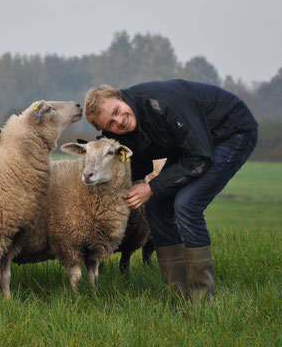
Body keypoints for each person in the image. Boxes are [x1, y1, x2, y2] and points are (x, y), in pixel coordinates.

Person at [84, 79, 258, 301]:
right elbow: (139, 161)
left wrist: (152, 187)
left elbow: (200, 157)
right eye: (110, 123)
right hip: (189, 144)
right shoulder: (123, 128)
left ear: (120, 97)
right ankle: (178, 293)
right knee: (156, 207)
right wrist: (128, 184)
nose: (119, 121)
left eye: (117, 111)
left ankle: (202, 298)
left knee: (187, 204)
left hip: (230, 132)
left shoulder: (163, 103)